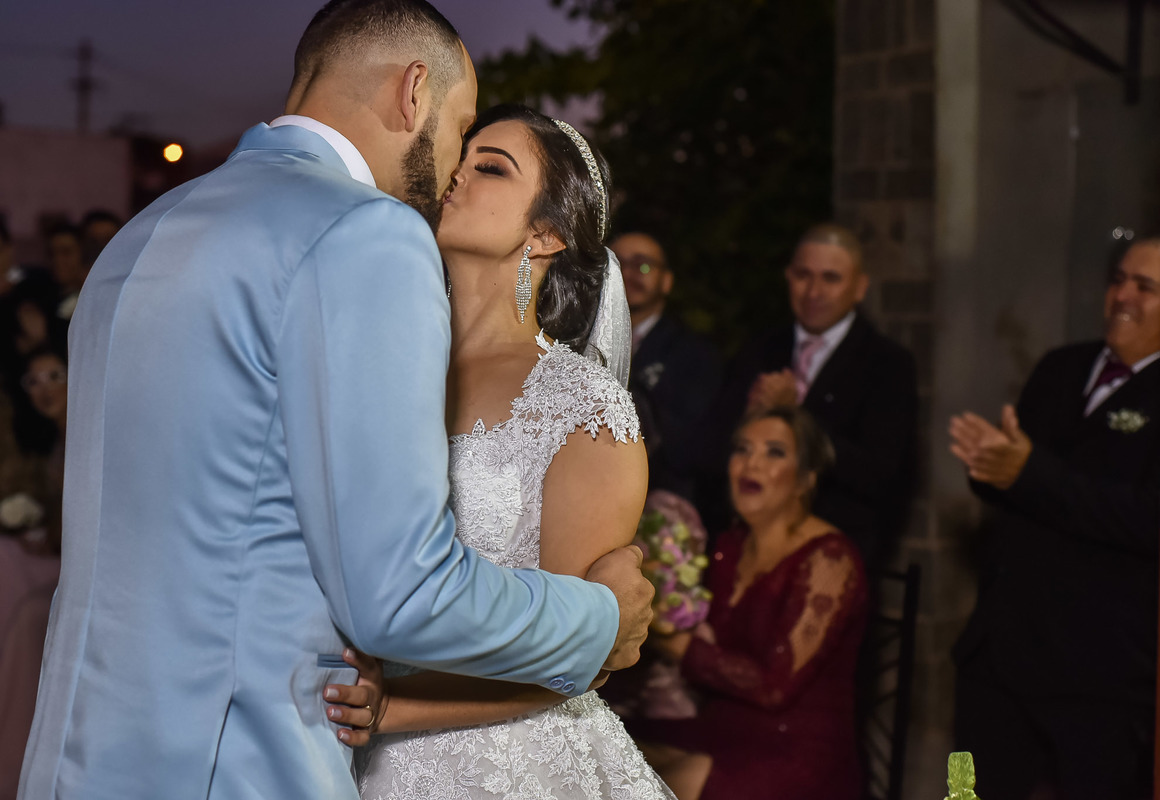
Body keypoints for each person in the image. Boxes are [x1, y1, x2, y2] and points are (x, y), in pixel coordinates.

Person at [17, 2, 653, 798]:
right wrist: (597, 621)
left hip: (80, 759)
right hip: (237, 763)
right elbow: (397, 593)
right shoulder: (364, 234)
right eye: (461, 128)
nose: (453, 163)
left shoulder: (140, 235)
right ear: (413, 93)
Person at [322, 103, 671, 799]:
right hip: (332, 738)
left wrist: (393, 707)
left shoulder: (583, 408)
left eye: (491, 168)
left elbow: (577, 656)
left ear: (544, 233)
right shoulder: (381, 363)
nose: (456, 174)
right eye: (465, 156)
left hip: (499, 766)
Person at [948, 237, 1160, 800]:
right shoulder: (1060, 367)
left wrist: (1027, 474)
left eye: (1145, 287)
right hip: (994, 657)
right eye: (1118, 279)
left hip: (1097, 674)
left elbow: (1151, 518)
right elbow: (1019, 479)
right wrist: (989, 467)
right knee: (963, 792)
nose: (1122, 295)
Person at [635, 405, 867, 800]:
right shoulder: (730, 546)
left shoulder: (831, 559)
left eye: (774, 452)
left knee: (675, 780)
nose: (750, 463)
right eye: (742, 449)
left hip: (795, 748)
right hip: (722, 725)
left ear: (806, 479)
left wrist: (666, 637)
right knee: (603, 743)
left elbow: (773, 686)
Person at [712, 223, 917, 574]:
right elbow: (711, 445)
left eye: (831, 278)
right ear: (788, 277)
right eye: (804, 275)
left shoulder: (887, 363)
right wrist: (750, 413)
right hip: (750, 540)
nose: (814, 291)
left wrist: (795, 415)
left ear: (859, 287)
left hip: (837, 547)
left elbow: (879, 476)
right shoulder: (760, 349)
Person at [0, 346, 67, 799]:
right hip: (60, 554)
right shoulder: (56, 442)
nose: (44, 390)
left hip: (84, 569)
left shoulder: (91, 431)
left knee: (26, 611)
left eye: (53, 376)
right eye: (33, 382)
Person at [614, 231, 721, 503]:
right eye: (616, 264)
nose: (628, 274)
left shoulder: (695, 355)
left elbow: (696, 448)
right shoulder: (574, 345)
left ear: (666, 281)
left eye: (643, 265)